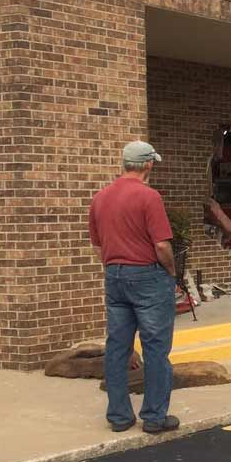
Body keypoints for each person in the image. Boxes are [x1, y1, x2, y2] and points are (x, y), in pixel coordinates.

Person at [88, 141, 180, 434]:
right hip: (148, 277)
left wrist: (115, 268)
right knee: (155, 348)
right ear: (148, 164)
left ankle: (119, 416)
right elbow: (162, 245)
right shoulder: (149, 196)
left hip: (114, 275)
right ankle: (154, 417)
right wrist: (171, 272)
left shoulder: (100, 197)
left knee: (117, 348)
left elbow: (98, 246)